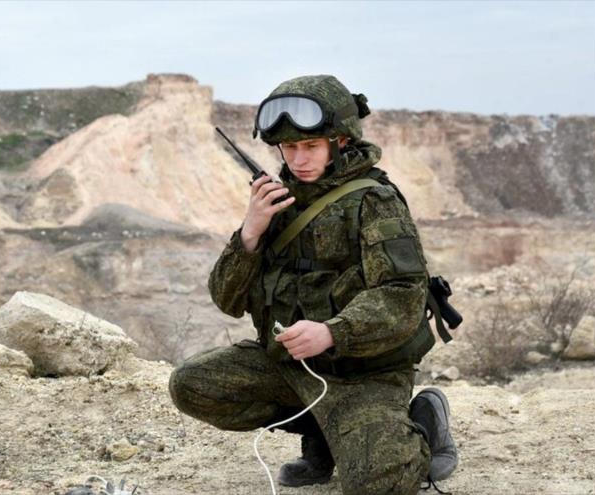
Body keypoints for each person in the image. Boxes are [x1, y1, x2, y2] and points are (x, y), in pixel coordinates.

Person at [168, 75, 457, 494]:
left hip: (364, 374)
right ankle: (325, 432)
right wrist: (250, 233)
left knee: (378, 483)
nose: (298, 159)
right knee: (192, 385)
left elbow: (402, 296)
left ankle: (425, 426)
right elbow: (226, 299)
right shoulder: (276, 202)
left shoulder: (373, 201)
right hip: (293, 368)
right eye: (289, 148)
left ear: (339, 142)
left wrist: (331, 332)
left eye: (310, 147)